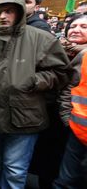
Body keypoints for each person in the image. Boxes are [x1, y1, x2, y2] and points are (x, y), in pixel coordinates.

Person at [0, 0, 70, 189]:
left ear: (20, 13)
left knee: (15, 168)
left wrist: (33, 81)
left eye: (8, 11)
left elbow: (60, 72)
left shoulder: (42, 39)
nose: (3, 16)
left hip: (25, 117)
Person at [54, 14, 87, 188]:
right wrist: (67, 118)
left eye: (84, 27)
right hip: (75, 129)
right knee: (66, 179)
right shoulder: (59, 49)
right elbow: (68, 89)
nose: (76, 30)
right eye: (73, 26)